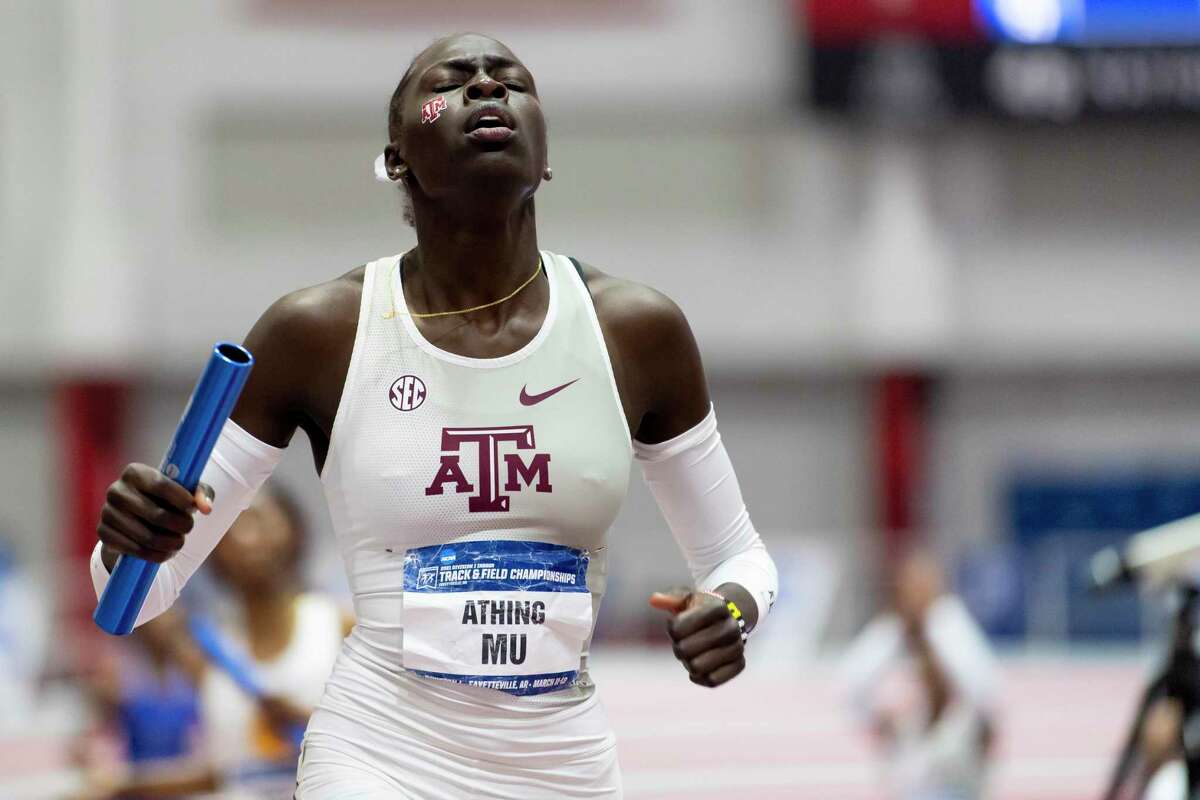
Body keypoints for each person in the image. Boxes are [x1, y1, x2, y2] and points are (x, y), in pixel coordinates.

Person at [90, 32, 777, 799]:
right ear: (397, 158)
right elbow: (136, 592)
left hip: (563, 767)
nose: (488, 87)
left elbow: (740, 561)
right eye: (453, 81)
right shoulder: (317, 332)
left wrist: (733, 611)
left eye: (511, 80)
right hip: (379, 756)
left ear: (545, 156)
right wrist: (129, 539)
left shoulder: (634, 330)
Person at [840, 549, 998, 800]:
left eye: (924, 585)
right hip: (910, 771)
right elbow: (850, 682)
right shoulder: (892, 632)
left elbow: (984, 689)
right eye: (911, 587)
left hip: (954, 767)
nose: (917, 594)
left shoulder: (947, 624)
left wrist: (974, 737)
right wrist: (874, 721)